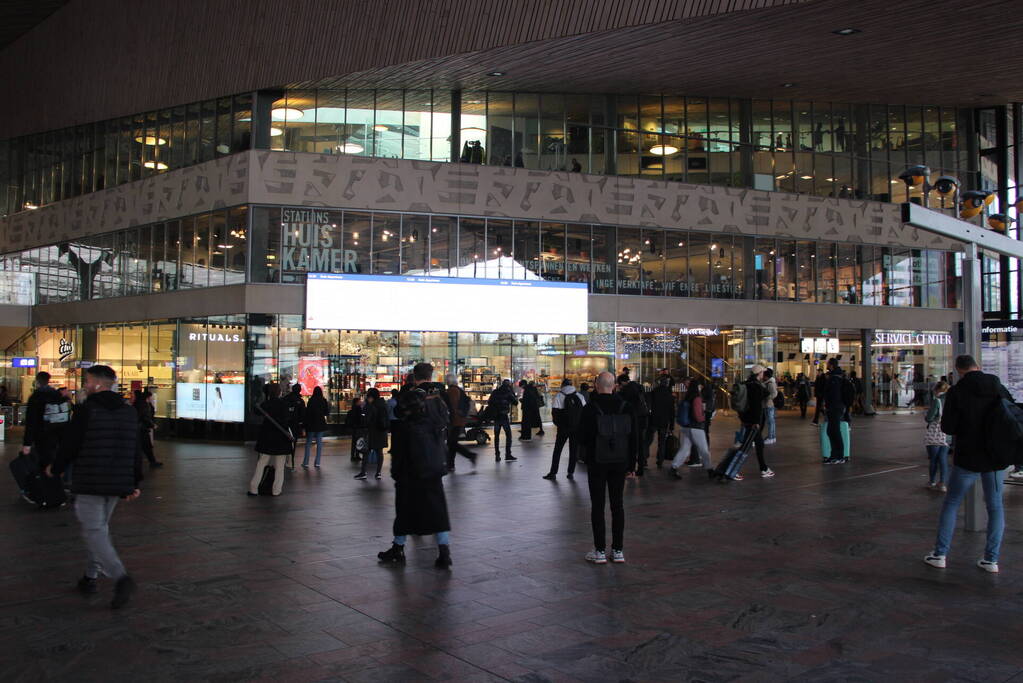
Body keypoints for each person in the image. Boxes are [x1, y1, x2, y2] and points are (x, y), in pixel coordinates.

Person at [46, 365, 141, 609]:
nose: (85, 385)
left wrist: (56, 469)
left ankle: (120, 577)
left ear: (97, 383)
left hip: (91, 479)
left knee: (94, 531)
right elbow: (135, 449)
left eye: (87, 381)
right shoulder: (129, 412)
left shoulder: (88, 410)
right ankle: (90, 576)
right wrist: (134, 483)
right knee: (100, 530)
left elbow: (71, 445)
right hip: (117, 481)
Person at [925, 355, 1012, 573]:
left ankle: (940, 554)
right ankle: (991, 560)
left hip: (968, 458)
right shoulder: (997, 386)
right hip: (995, 458)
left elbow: (948, 427)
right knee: (995, 506)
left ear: (958, 370)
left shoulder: (957, 391)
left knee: (952, 503)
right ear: (978, 367)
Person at [377, 363, 454, 568]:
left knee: (404, 506)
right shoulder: (439, 399)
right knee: (437, 506)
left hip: (412, 463)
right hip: (434, 460)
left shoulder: (412, 401)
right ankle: (444, 550)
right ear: (431, 375)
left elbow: (400, 423)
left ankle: (398, 547)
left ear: (414, 376)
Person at [579, 371, 630, 564]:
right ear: (614, 386)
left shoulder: (590, 408)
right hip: (620, 461)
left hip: (597, 461)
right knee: (618, 505)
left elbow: (582, 437)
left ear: (596, 385)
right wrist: (632, 464)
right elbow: (633, 437)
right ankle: (618, 550)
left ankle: (599, 550)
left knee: (598, 505)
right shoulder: (626, 406)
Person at [248, 383, 293, 496]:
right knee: (279, 466)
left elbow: (256, 411)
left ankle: (253, 488)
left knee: (261, 463)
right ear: (279, 392)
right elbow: (287, 419)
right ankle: (276, 490)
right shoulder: (283, 404)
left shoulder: (266, 404)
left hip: (267, 438)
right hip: (281, 439)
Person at [22, 371, 72, 470]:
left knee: (42, 463)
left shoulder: (36, 397)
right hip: (59, 437)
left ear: (37, 381)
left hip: (42, 436)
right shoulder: (58, 395)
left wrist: (27, 443)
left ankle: (44, 481)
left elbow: (31, 421)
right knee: (55, 463)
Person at [737, 365, 774, 478]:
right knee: (746, 446)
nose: (763, 374)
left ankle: (763, 468)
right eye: (762, 372)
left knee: (758, 444)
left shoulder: (747, 384)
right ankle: (733, 469)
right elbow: (756, 406)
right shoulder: (756, 387)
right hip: (753, 421)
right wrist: (756, 422)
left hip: (747, 419)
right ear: (759, 373)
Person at [544, 379, 585, 480]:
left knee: (558, 450)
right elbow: (584, 412)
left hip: (563, 428)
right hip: (576, 428)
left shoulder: (559, 396)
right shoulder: (579, 396)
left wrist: (559, 424)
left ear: (562, 385)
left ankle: (553, 472)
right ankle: (570, 472)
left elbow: (554, 412)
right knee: (573, 450)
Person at [671, 380, 713, 477]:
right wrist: (704, 418)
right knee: (704, 450)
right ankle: (710, 470)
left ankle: (673, 467)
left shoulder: (686, 397)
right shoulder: (697, 398)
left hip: (686, 427)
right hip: (696, 427)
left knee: (684, 450)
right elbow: (698, 416)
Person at [816, 358, 853, 465]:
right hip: (836, 407)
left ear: (831, 365)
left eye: (828, 363)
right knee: (831, 431)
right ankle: (834, 455)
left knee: (835, 431)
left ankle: (839, 456)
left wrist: (829, 406)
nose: (826, 365)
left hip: (835, 408)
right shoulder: (836, 376)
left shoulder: (835, 378)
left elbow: (834, 395)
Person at [616, 373, 650, 477]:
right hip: (643, 418)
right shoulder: (638, 386)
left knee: (631, 445)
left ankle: (630, 469)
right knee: (640, 444)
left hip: (634, 420)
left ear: (622, 382)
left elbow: (622, 403)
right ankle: (641, 467)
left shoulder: (627, 390)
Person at [445, 374, 477, 472]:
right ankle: (451, 465)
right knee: (452, 443)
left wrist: (450, 419)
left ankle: (470, 455)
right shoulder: (458, 390)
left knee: (452, 443)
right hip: (459, 420)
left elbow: (453, 406)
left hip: (455, 420)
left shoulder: (452, 391)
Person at [356, 388, 390, 480]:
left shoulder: (371, 406)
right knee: (379, 452)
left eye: (368, 396)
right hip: (382, 432)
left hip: (372, 432)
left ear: (371, 397)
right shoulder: (383, 404)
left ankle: (363, 472)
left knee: (366, 452)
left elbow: (367, 420)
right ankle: (378, 473)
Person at [924, 380, 950, 491]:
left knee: (933, 459)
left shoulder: (937, 401)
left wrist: (927, 415)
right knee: (943, 459)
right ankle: (943, 483)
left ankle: (932, 481)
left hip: (934, 434)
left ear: (937, 390)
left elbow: (929, 418)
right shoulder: (950, 401)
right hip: (946, 434)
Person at [648, 375, 675, 468]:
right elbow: (672, 412)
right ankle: (660, 461)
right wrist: (671, 426)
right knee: (662, 442)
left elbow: (649, 405)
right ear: (667, 384)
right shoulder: (670, 395)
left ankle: (643, 459)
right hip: (664, 421)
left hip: (653, 419)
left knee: (648, 440)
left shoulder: (654, 392)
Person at [487, 379, 518, 461]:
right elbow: (515, 402)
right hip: (504, 416)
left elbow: (489, 402)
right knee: (508, 435)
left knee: (496, 437)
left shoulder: (495, 392)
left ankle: (497, 455)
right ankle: (508, 454)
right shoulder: (508, 393)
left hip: (496, 417)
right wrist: (512, 392)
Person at [301, 386, 330, 468]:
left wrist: (304, 425)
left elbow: (307, 413)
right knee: (319, 442)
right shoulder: (323, 400)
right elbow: (326, 412)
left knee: (308, 442)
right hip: (320, 423)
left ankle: (306, 462)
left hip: (311, 424)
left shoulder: (311, 400)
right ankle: (317, 462)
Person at [132, 390, 162, 468]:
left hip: (139, 428)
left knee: (144, 446)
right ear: (148, 397)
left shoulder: (138, 404)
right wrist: (152, 425)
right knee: (146, 446)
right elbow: (145, 417)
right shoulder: (143, 405)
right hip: (142, 429)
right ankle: (152, 462)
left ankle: (151, 461)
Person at [283, 383, 305, 467]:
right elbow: (302, 415)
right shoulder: (300, 401)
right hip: (295, 425)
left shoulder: (285, 399)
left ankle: (284, 460)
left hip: (286, 424)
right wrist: (302, 425)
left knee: (285, 442)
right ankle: (290, 461)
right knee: (293, 443)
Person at [345, 397, 366, 462]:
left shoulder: (353, 409)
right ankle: (357, 455)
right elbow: (359, 418)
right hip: (358, 427)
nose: (360, 402)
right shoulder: (358, 409)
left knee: (354, 441)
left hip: (354, 427)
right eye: (359, 401)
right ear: (357, 402)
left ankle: (353, 455)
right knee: (358, 441)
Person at [762, 368, 778, 445]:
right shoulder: (769, 382)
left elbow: (774, 394)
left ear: (766, 376)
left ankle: (771, 437)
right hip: (768, 405)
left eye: (764, 375)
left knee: (770, 422)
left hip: (768, 405)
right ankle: (772, 437)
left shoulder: (770, 383)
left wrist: (767, 397)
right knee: (771, 422)